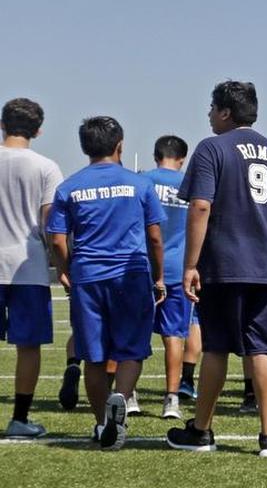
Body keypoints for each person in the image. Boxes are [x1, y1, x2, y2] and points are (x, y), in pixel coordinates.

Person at [166, 80, 267, 458]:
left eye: (212, 107)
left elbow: (201, 206)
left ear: (226, 111)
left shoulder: (211, 148)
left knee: (217, 347)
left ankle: (201, 429)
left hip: (226, 263)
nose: (208, 114)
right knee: (262, 349)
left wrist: (191, 264)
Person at [47, 116, 165, 450]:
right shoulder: (140, 185)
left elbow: (56, 240)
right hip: (131, 273)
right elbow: (155, 237)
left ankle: (102, 424)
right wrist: (158, 276)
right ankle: (122, 397)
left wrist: (65, 270)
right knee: (132, 350)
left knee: (94, 356)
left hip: (88, 276)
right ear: (120, 145)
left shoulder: (69, 187)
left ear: (85, 147)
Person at [1, 98, 64, 438]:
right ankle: (19, 418)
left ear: (1, 124)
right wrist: (64, 264)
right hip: (28, 267)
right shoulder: (46, 167)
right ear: (38, 129)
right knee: (29, 346)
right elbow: (49, 225)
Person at [141, 135, 194, 420]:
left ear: (155, 155)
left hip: (142, 268)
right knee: (174, 336)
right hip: (178, 268)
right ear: (182, 158)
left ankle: (129, 394)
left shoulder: (143, 181)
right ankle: (171, 398)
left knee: (135, 332)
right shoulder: (190, 184)